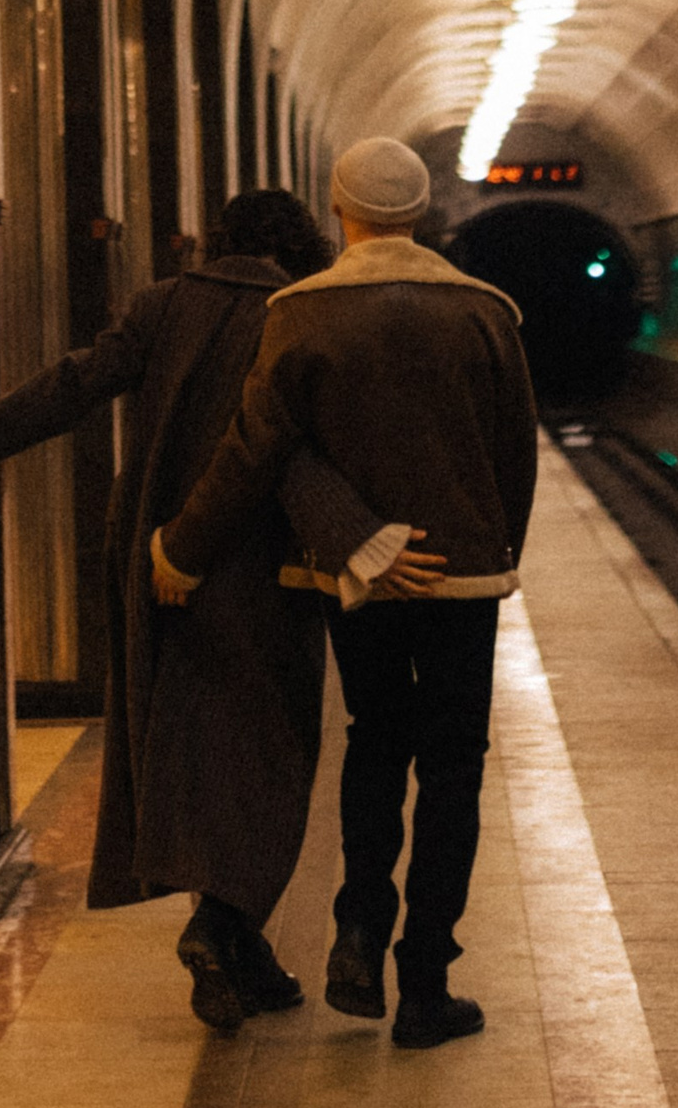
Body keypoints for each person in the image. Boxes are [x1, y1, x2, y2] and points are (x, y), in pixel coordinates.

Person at [0, 189, 439, 1034]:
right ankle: (220, 926)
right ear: (301, 244)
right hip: (260, 565)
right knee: (269, 753)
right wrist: (361, 540)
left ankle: (240, 952)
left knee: (193, 747)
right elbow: (288, 452)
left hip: (155, 560)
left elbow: (69, 388)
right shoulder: (296, 313)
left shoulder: (160, 306)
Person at [152, 137, 537, 1049]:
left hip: (353, 579)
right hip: (460, 577)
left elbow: (254, 450)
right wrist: (492, 548)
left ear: (339, 210)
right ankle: (426, 985)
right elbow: (515, 449)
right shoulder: (484, 312)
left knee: (376, 742)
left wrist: (184, 548)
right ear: (422, 213)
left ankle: (358, 939)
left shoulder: (301, 313)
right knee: (454, 767)